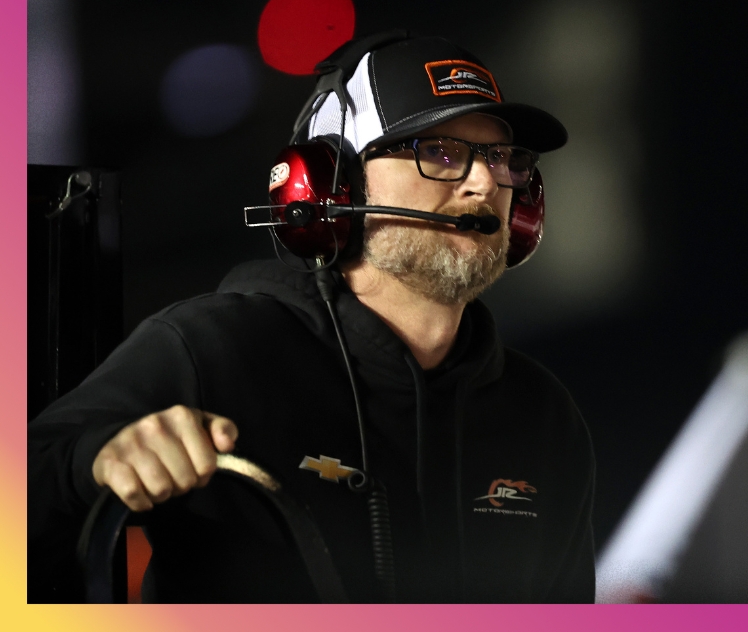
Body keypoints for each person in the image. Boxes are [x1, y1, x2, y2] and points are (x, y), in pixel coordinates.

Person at [28, 33, 596, 603]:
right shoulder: (215, 349)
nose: (484, 183)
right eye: (441, 152)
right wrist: (91, 460)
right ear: (329, 185)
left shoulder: (542, 415)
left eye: (503, 159)